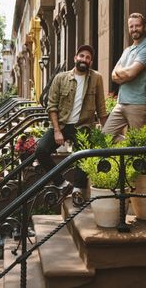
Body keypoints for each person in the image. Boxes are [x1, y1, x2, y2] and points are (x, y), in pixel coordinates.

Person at [35, 44, 107, 206]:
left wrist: (106, 132)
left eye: (88, 57)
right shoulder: (61, 78)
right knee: (41, 150)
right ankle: (61, 183)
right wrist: (57, 131)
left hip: (83, 126)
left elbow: (101, 107)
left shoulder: (96, 78)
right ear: (75, 58)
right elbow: (51, 106)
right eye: (81, 56)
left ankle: (78, 191)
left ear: (91, 61)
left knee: (82, 155)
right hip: (61, 124)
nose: (84, 59)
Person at [102, 13, 146, 139]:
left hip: (139, 103)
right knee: (105, 136)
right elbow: (113, 75)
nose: (134, 29)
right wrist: (125, 74)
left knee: (138, 142)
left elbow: (131, 73)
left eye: (137, 26)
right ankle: (127, 146)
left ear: (145, 27)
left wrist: (123, 73)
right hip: (121, 103)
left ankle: (133, 150)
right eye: (131, 26)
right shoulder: (127, 50)